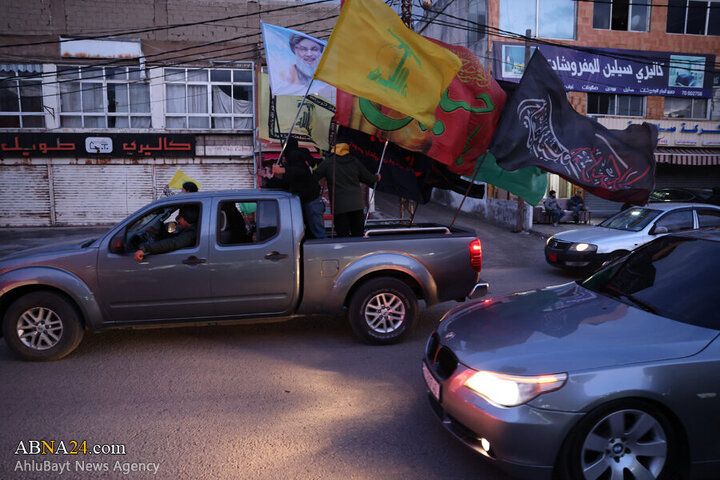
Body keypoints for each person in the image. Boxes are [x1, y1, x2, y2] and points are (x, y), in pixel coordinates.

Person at [314, 143, 380, 237]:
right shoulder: (354, 161)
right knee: (357, 234)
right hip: (356, 205)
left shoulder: (328, 162)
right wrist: (377, 177)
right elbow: (368, 178)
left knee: (343, 236)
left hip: (339, 207)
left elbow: (314, 176)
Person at [271, 138, 327, 239]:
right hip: (309, 199)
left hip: (310, 199)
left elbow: (301, 171)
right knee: (314, 231)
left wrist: (283, 170)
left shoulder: (294, 155)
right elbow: (289, 181)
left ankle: (324, 252)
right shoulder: (301, 157)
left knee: (317, 232)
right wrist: (270, 180)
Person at [134, 206, 199, 262]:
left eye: (180, 217)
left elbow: (172, 243)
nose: (177, 220)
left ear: (188, 218)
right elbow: (175, 237)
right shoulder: (190, 230)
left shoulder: (191, 234)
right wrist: (158, 233)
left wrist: (145, 249)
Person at [278, 35, 334, 100]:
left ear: (320, 51)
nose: (309, 54)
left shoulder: (328, 79)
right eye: (303, 49)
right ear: (294, 50)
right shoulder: (285, 77)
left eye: (314, 49)